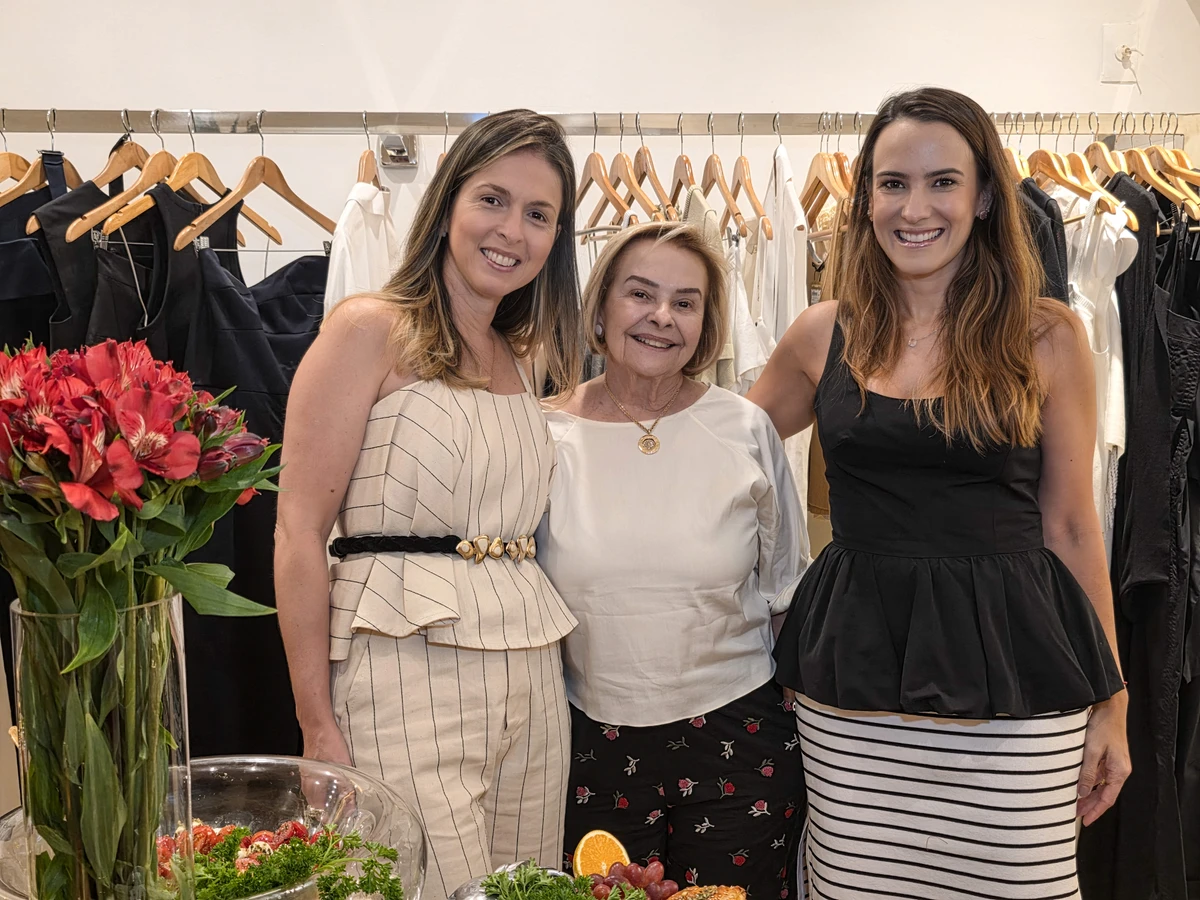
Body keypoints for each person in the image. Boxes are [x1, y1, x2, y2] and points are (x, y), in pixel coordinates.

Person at [747, 87, 1130, 899]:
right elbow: (720, 455)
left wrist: (1115, 700)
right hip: (853, 680)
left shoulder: (1049, 334)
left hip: (1018, 668)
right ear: (865, 200)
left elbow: (1070, 524)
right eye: (892, 184)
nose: (914, 207)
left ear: (986, 194)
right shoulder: (822, 333)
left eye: (941, 182)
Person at [275, 109, 583, 899]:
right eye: (493, 199)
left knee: (532, 889)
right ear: (448, 202)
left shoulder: (527, 354)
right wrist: (316, 725)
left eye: (539, 214)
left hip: (533, 680)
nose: (512, 229)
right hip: (403, 673)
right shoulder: (369, 330)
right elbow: (300, 533)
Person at [537, 222, 808, 899]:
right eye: (640, 294)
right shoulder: (542, 434)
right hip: (591, 742)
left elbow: (785, 592)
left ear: (705, 322)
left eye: (685, 302)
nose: (662, 317)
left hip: (737, 736)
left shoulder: (745, 429)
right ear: (601, 307)